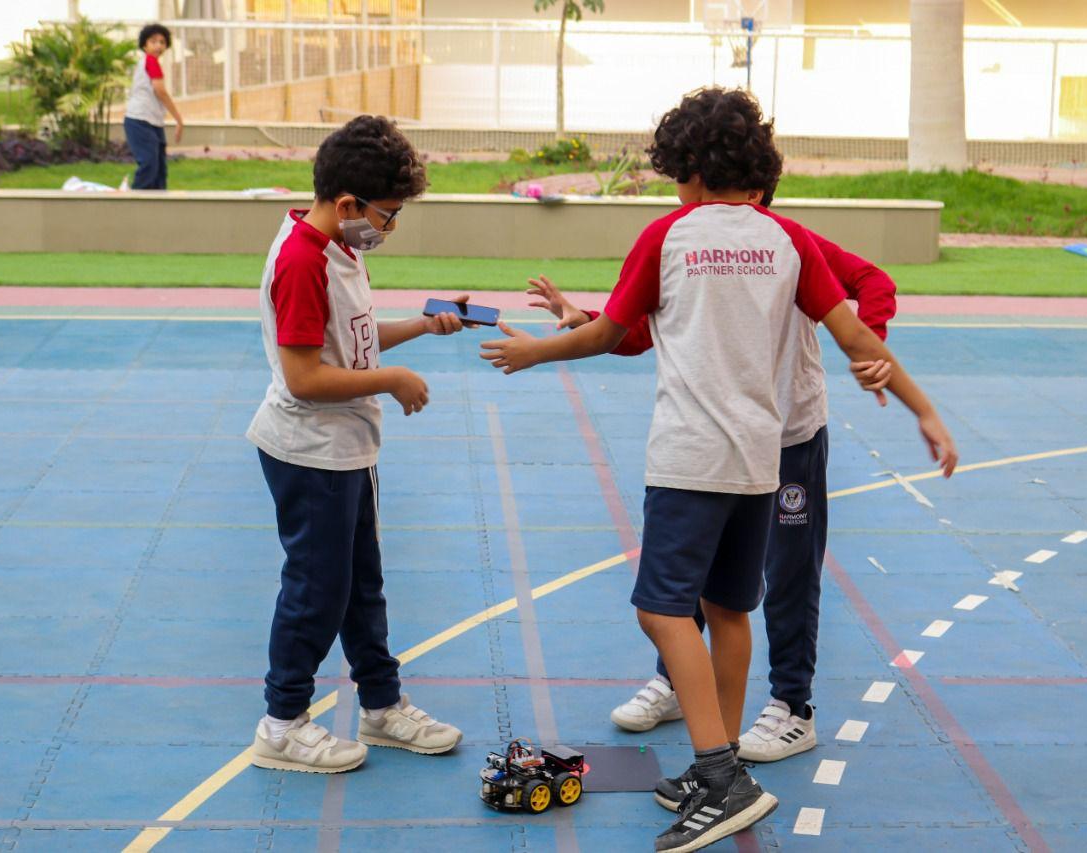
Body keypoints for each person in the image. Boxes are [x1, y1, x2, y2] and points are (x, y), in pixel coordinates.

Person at [480, 87, 957, 852]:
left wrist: (536, 350)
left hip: (689, 459)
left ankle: (719, 772)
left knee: (662, 611)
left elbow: (610, 332)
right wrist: (923, 408)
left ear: (690, 169)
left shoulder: (668, 236)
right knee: (729, 609)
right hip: (761, 461)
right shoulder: (787, 242)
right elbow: (853, 334)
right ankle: (722, 763)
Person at [525, 219, 896, 778]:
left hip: (788, 434)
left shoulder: (790, 243)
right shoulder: (689, 241)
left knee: (786, 571)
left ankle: (792, 704)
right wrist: (591, 322)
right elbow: (652, 329)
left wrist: (871, 343)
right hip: (721, 437)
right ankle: (679, 686)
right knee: (698, 572)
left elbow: (873, 281)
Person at [246, 116, 468, 774]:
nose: (388, 228)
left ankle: (381, 702)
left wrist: (424, 326)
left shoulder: (341, 250)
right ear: (348, 205)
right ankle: (282, 722)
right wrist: (393, 381)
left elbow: (354, 341)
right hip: (310, 451)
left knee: (361, 585)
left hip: (348, 448)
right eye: (387, 215)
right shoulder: (301, 262)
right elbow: (305, 374)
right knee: (317, 590)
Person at [123, 23, 184, 190]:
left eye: (162, 42)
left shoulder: (150, 62)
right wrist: (179, 119)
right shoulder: (150, 61)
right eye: (153, 41)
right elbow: (160, 91)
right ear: (145, 45)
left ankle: (158, 207)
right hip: (139, 121)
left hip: (153, 122)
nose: (158, 45)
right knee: (149, 165)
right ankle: (134, 203)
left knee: (159, 170)